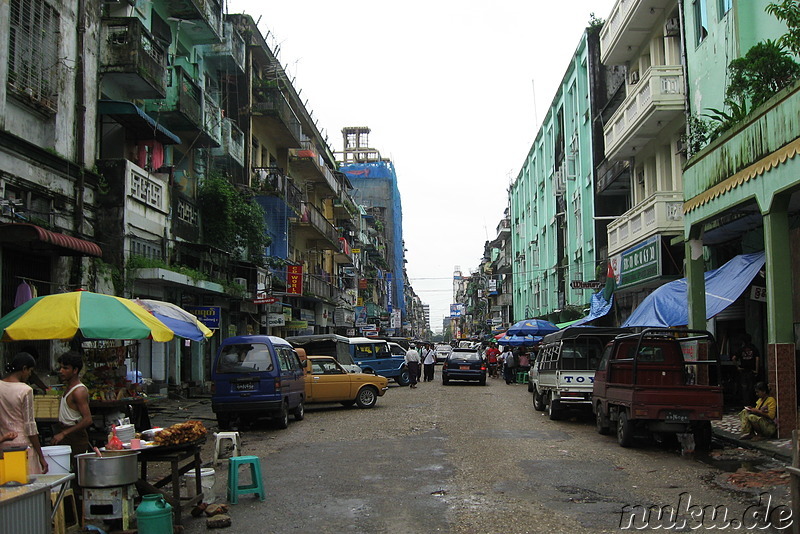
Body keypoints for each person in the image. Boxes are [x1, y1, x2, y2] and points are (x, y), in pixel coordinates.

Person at [0, 352, 49, 474]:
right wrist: (41, 456)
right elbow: (30, 426)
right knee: (28, 484)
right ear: (24, 369)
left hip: (4, 443)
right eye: (30, 370)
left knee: (9, 483)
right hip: (23, 445)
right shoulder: (25, 390)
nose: (30, 374)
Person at [52, 351, 92, 456]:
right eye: (60, 368)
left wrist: (64, 433)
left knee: (76, 469)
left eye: (65, 368)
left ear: (75, 370)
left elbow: (87, 419)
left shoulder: (79, 391)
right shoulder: (68, 388)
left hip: (75, 437)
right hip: (65, 433)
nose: (61, 371)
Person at [734, 334, 761, 405]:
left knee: (744, 389)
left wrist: (738, 367)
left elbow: (733, 358)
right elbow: (757, 359)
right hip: (751, 371)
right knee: (751, 388)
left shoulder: (741, 349)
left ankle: (745, 404)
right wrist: (756, 370)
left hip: (743, 371)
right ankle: (752, 404)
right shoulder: (754, 348)